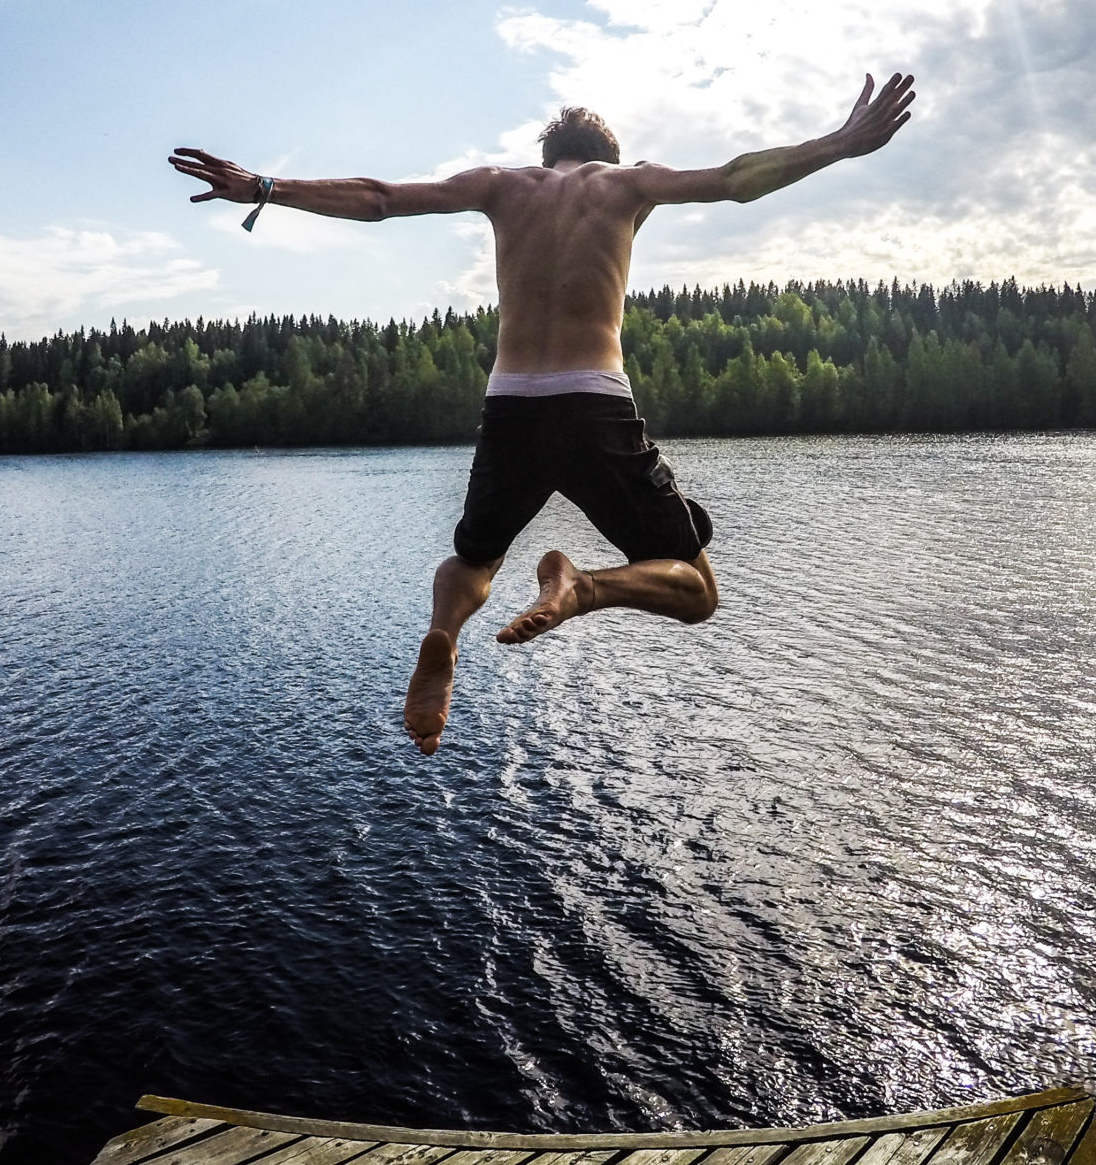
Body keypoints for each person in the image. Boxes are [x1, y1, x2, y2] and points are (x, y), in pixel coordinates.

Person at [170, 72, 916, 754]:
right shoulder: (629, 185)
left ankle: (443, 631)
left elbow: (380, 199)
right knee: (697, 587)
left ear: (550, 152)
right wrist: (842, 143)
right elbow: (735, 180)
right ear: (606, 155)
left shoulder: (501, 185)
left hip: (512, 404)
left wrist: (266, 185)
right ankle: (584, 586)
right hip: (596, 401)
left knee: (473, 557)